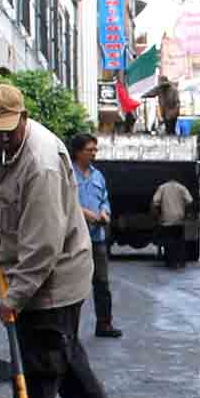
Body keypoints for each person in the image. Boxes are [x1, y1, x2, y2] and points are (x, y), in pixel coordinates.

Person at [0, 82, 123, 398]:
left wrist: (14, 297)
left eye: (5, 131)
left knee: (40, 363)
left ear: (23, 119)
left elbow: (43, 246)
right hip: (26, 267)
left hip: (55, 274)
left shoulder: (41, 163)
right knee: (66, 359)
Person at [69, 133, 121, 338]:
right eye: (89, 150)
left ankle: (104, 324)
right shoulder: (67, 174)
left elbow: (104, 200)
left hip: (97, 238)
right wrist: (86, 214)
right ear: (77, 152)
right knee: (74, 286)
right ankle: (70, 330)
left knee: (102, 283)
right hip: (75, 238)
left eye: (95, 150)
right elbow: (64, 202)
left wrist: (104, 213)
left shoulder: (98, 176)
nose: (93, 153)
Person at [151, 176, 193, 269]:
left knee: (168, 241)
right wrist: (186, 213)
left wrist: (157, 215)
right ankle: (180, 261)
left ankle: (170, 262)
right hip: (179, 220)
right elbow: (190, 201)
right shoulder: (182, 187)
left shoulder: (162, 188)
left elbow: (155, 202)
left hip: (166, 220)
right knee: (179, 241)